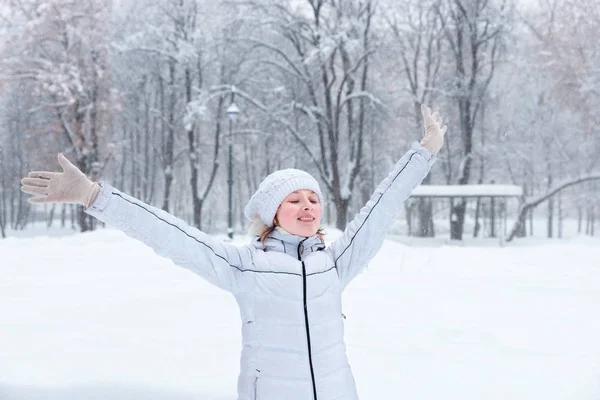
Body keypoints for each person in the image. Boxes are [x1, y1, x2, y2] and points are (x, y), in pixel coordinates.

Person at [21, 104, 446, 400]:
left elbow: (381, 208)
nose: (307, 206)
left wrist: (423, 152)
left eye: (313, 200)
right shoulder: (246, 267)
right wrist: (95, 195)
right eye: (294, 199)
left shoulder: (334, 264)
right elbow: (171, 236)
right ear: (272, 213)